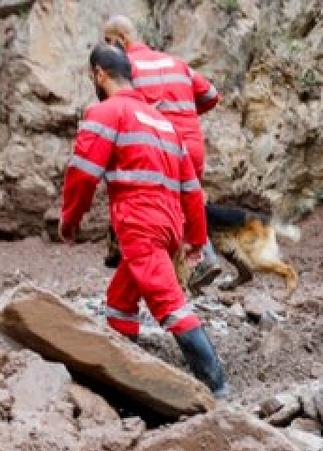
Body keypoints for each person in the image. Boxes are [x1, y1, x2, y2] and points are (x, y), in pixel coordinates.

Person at [58, 44, 228, 398]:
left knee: (169, 304)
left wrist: (69, 220)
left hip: (138, 222)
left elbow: (83, 174)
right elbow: (192, 190)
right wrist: (195, 239)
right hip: (168, 223)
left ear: (99, 74)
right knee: (121, 296)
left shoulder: (105, 113)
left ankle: (217, 385)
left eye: (93, 76)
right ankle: (123, 370)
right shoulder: (163, 123)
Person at [102, 14, 224, 290]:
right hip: (192, 147)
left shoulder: (125, 70)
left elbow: (118, 110)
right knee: (187, 203)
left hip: (161, 148)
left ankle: (174, 278)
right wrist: (187, 112)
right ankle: (199, 259)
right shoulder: (176, 63)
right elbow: (212, 95)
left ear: (121, 39)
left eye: (108, 44)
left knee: (155, 209)